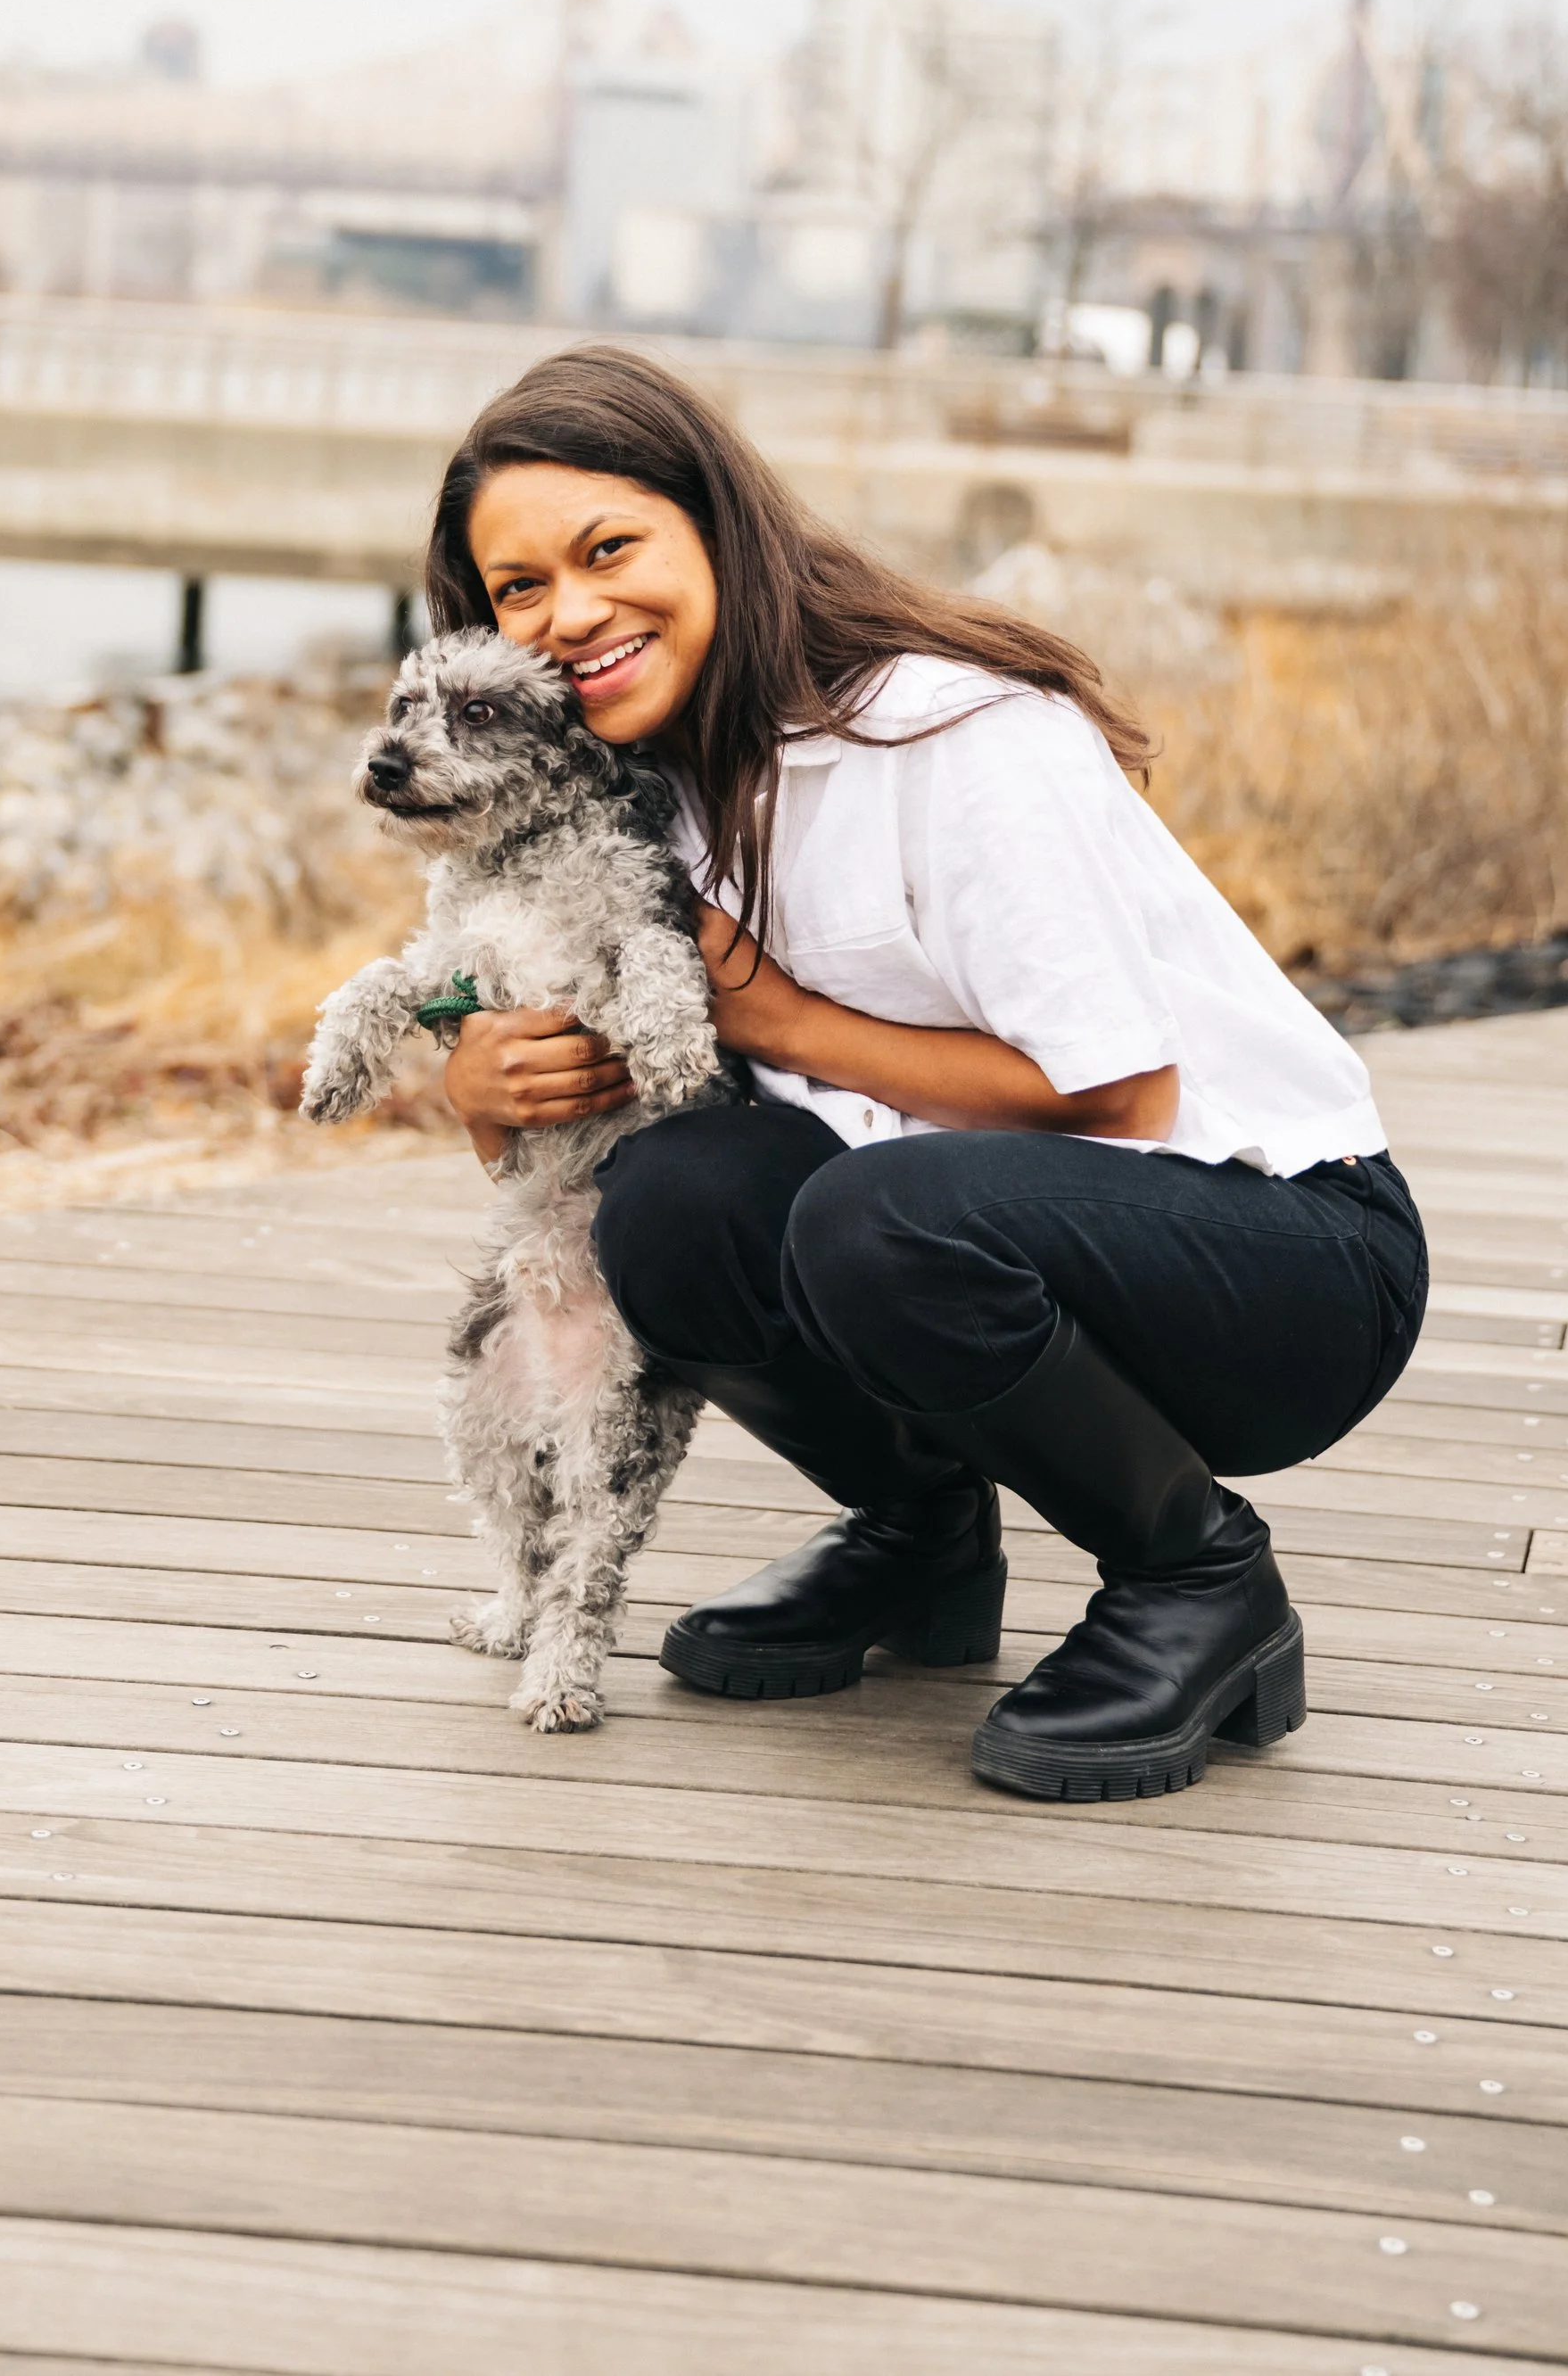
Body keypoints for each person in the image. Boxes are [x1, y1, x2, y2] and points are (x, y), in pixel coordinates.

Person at [428, 344, 1426, 1803]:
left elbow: (1123, 1097)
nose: (574, 614)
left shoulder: (951, 731)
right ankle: (923, 1539)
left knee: (875, 1216)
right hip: (995, 1256)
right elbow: (587, 1173)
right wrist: (485, 1095)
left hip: (1287, 1260)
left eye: (609, 549)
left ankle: (1199, 1577)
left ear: (716, 525)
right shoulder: (640, 804)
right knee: (667, 1197)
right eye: (520, 589)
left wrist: (775, 1014)